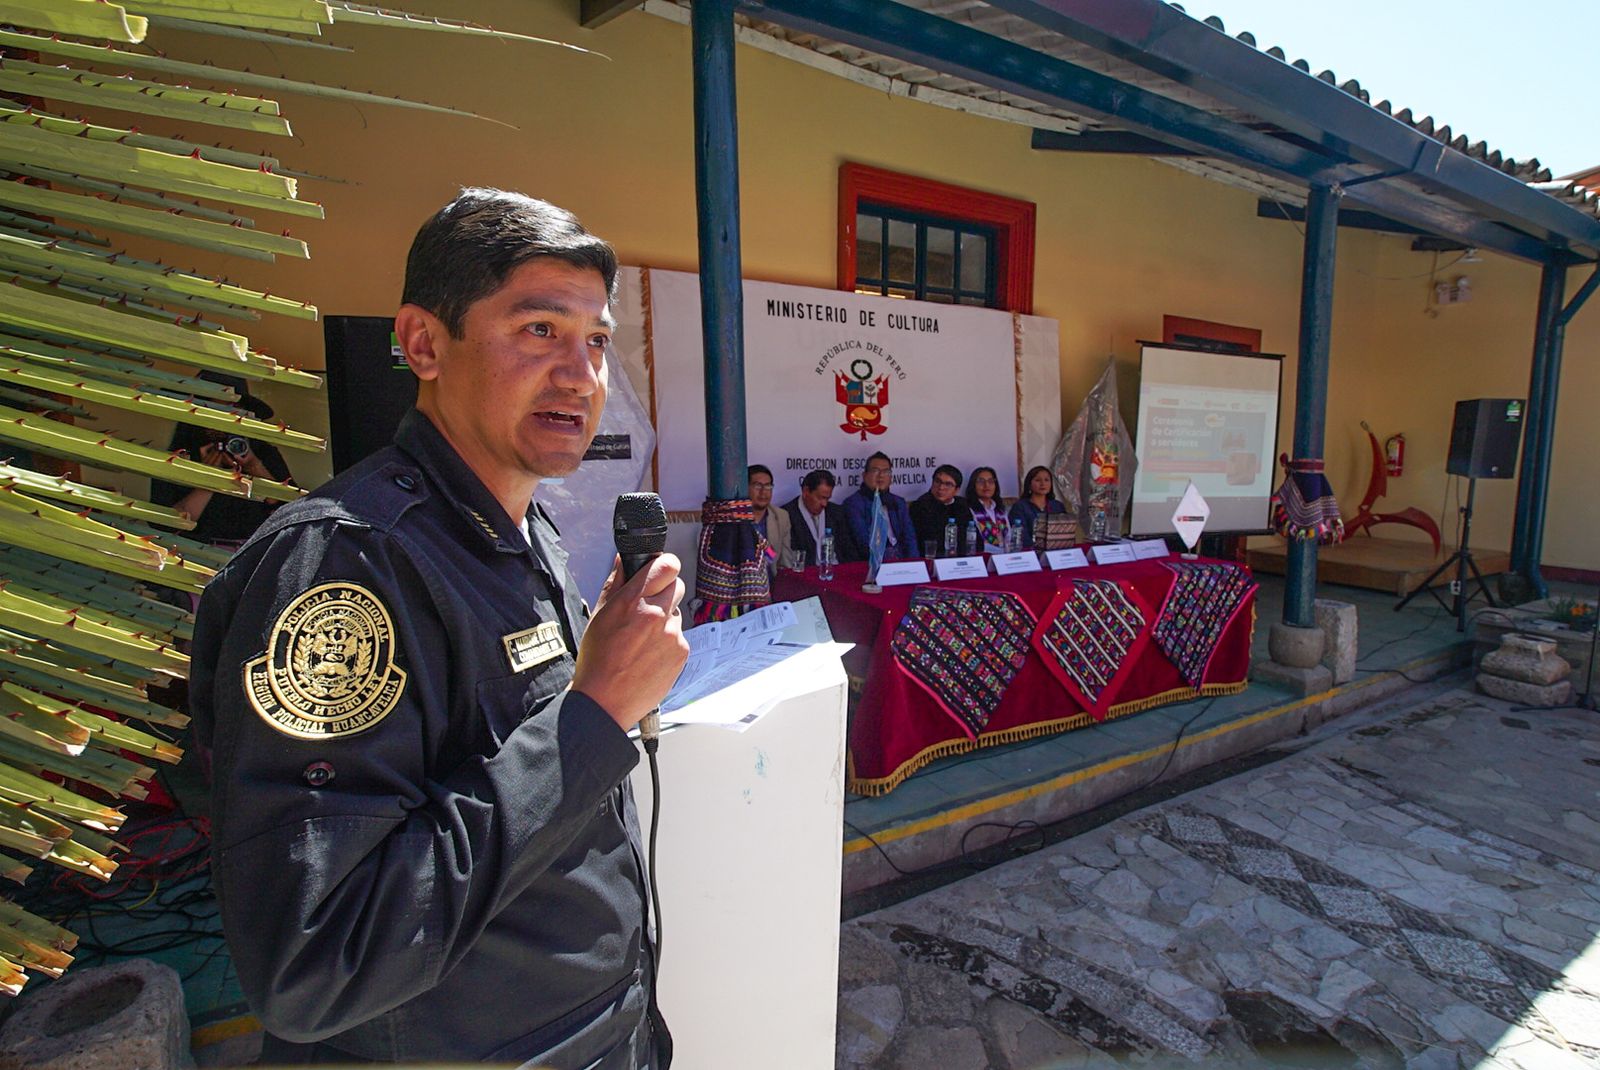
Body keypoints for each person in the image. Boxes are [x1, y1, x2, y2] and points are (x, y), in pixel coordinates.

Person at [190, 189, 686, 1069]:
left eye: (598, 341)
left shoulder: (525, 530)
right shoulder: (344, 569)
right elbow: (317, 961)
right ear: (423, 343)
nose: (581, 375)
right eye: (539, 329)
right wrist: (595, 715)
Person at [150, 374, 294, 546]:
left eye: (232, 412)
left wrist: (253, 466)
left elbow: (291, 511)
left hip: (253, 550)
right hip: (199, 554)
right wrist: (209, 481)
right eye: (214, 411)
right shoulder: (176, 458)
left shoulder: (262, 452)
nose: (222, 422)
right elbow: (166, 524)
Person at [842, 452, 918, 563]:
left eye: (886, 472)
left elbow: (910, 539)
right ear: (864, 475)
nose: (881, 475)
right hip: (873, 565)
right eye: (875, 471)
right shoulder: (854, 504)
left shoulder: (899, 502)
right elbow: (863, 542)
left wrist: (915, 565)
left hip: (902, 564)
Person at [781, 468, 858, 565]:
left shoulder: (836, 513)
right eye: (821, 498)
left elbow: (849, 551)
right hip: (805, 574)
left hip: (835, 571)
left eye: (827, 498)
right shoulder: (786, 515)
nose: (824, 504)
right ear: (806, 491)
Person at [909, 463, 973, 556]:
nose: (941, 487)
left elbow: (972, 538)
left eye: (948, 484)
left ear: (956, 490)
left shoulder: (962, 506)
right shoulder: (920, 506)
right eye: (937, 481)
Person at [1007, 465, 1067, 548]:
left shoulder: (1057, 506)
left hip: (1056, 551)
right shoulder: (1020, 507)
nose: (1043, 484)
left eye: (1046, 480)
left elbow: (1065, 532)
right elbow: (1021, 537)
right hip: (1031, 553)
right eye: (1038, 480)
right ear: (1029, 484)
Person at [747, 463, 791, 573]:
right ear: (745, 487)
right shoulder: (734, 518)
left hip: (772, 583)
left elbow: (785, 562)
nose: (763, 492)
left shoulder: (781, 517)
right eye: (757, 486)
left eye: (768, 486)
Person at [964, 466, 1011, 553]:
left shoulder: (1000, 510)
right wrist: (1000, 551)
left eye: (990, 481)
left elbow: (1009, 537)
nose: (986, 485)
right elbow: (976, 542)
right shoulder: (968, 510)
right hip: (983, 557)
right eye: (981, 482)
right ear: (973, 485)